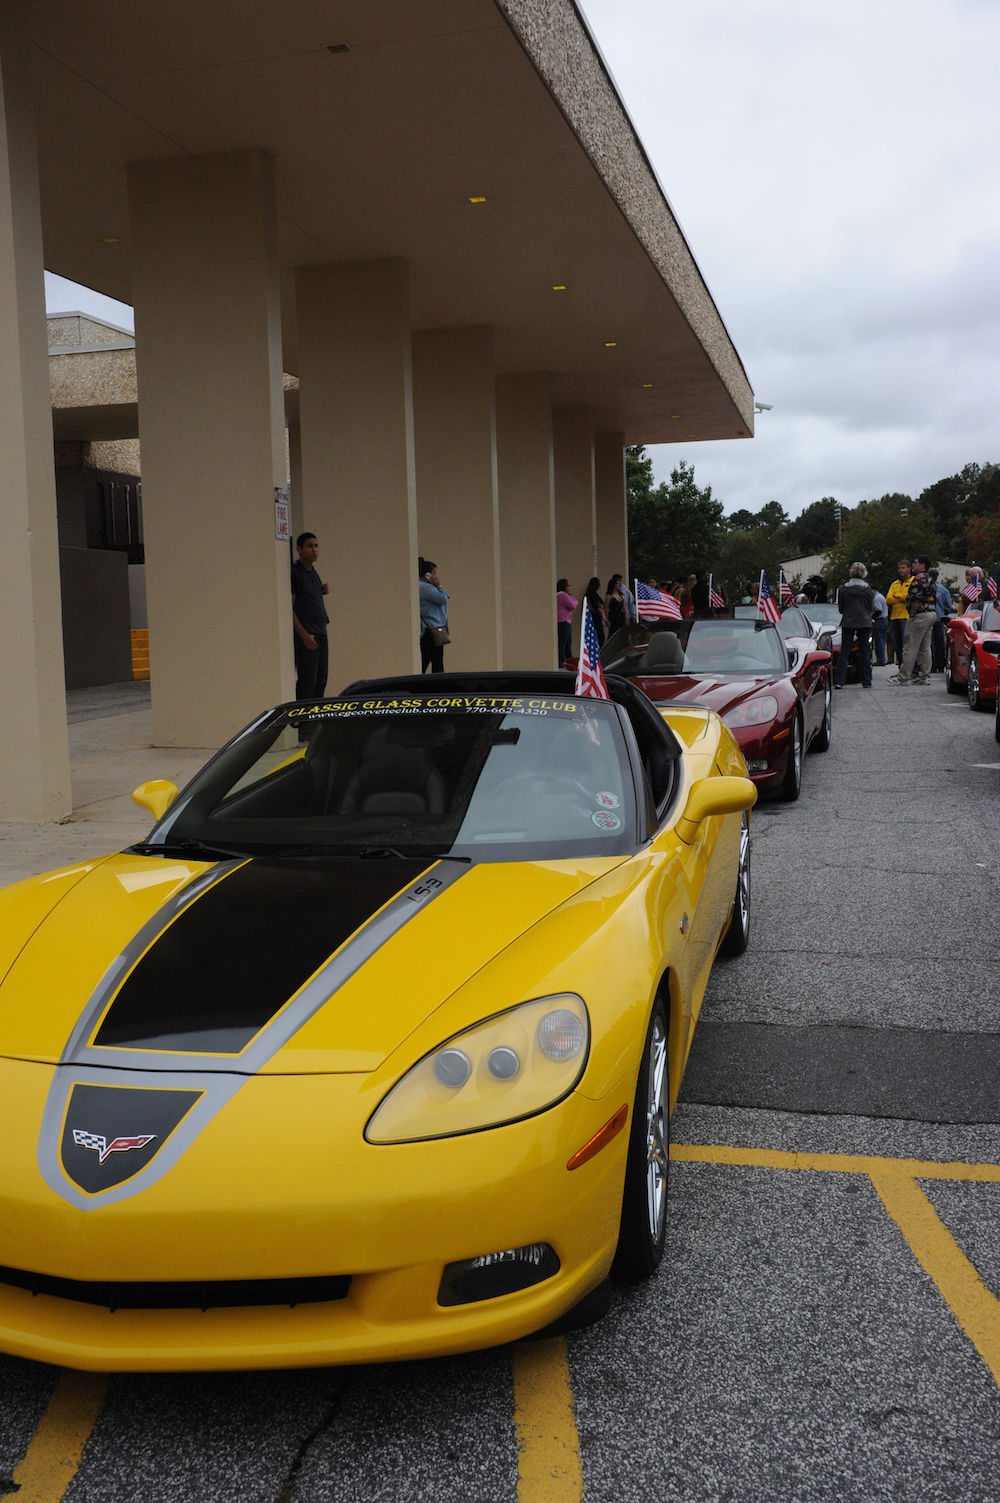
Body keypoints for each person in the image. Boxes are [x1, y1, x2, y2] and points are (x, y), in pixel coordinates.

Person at [291, 531, 330, 700]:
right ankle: (304, 724)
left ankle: (315, 723)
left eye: (316, 546)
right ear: (299, 549)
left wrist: (321, 591)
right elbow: (289, 607)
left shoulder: (313, 572)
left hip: (321, 632)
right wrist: (304, 635)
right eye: (309, 546)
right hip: (308, 635)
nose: (314, 550)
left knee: (321, 682)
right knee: (308, 683)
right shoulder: (296, 572)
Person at [892, 554, 935, 686]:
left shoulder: (919, 578)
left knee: (910, 646)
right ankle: (925, 675)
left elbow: (916, 598)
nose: (914, 564)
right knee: (925, 646)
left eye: (915, 563)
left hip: (920, 615)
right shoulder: (930, 578)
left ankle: (904, 676)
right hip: (931, 613)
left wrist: (911, 614)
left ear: (922, 565)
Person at [835, 563, 874, 688]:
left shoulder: (844, 588)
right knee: (864, 651)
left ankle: (839, 681)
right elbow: (870, 607)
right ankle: (866, 681)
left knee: (844, 651)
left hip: (848, 621)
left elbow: (841, 608)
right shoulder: (867, 588)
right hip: (864, 621)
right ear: (863, 572)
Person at [418, 557, 450, 673]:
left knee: (424, 660)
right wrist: (439, 585)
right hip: (432, 628)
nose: (436, 576)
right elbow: (443, 599)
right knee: (437, 661)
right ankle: (438, 686)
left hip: (426, 629)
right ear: (427, 575)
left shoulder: (420, 586)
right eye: (434, 573)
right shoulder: (427, 588)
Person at [886, 560, 912, 667]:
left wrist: (897, 596)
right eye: (899, 568)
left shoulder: (913, 581)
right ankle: (901, 667)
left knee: (907, 644)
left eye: (903, 568)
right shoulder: (895, 583)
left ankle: (911, 668)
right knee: (897, 644)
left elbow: (910, 596)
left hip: (906, 616)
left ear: (909, 569)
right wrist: (901, 597)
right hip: (895, 617)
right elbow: (888, 599)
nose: (901, 570)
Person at [930, 568, 952, 672]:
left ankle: (932, 665)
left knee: (929, 642)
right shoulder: (943, 590)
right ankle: (940, 664)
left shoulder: (926, 588)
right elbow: (948, 605)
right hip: (939, 618)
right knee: (939, 642)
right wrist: (944, 614)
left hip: (929, 617)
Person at [556, 579, 578, 667]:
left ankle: (568, 659)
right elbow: (573, 605)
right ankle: (562, 661)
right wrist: (572, 599)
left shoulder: (558, 595)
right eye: (568, 585)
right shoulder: (563, 595)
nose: (569, 587)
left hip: (561, 620)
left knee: (566, 642)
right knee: (564, 642)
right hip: (564, 620)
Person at [584, 576, 606, 647]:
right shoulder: (591, 594)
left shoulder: (593, 594)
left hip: (597, 618)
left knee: (600, 637)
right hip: (594, 618)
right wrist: (603, 615)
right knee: (600, 637)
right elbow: (596, 606)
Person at [871, 585, 889, 666]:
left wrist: (871, 617)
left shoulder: (876, 598)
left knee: (879, 640)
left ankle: (881, 659)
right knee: (881, 639)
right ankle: (881, 658)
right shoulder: (880, 596)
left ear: (873, 590)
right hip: (883, 620)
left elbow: (878, 610)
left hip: (880, 620)